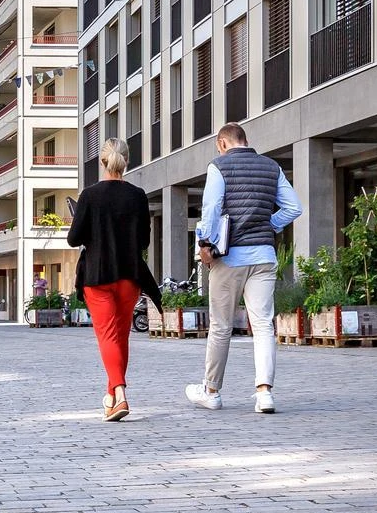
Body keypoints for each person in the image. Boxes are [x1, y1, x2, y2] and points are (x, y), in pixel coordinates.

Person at [186, 122, 302, 415]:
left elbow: (211, 209)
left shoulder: (219, 166)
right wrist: (269, 225)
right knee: (263, 325)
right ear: (245, 140)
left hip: (230, 259)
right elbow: (293, 207)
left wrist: (205, 243)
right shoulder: (271, 167)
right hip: (263, 255)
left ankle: (211, 391)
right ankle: (264, 394)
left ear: (222, 143)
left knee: (221, 326)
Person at [68, 138, 159, 421]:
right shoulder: (138, 195)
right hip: (129, 275)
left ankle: (119, 394)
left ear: (102, 162)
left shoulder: (89, 195)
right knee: (120, 338)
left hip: (98, 275)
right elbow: (144, 239)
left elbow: (74, 239)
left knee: (108, 337)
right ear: (126, 160)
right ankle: (111, 398)